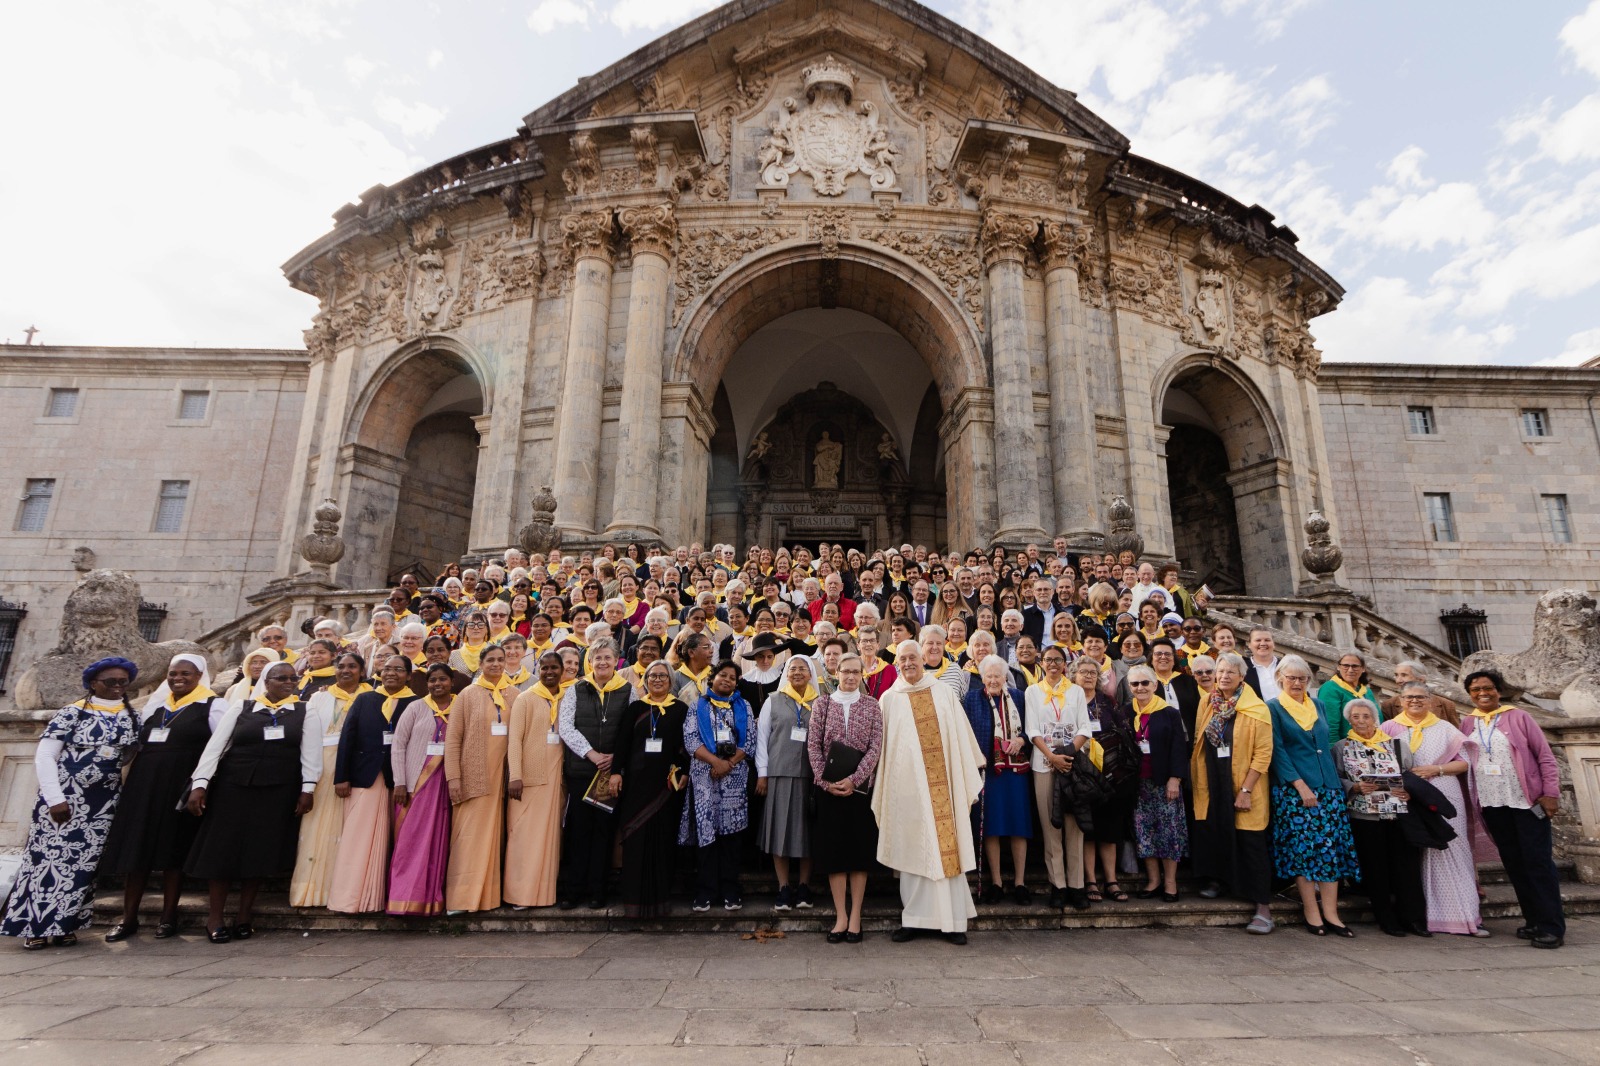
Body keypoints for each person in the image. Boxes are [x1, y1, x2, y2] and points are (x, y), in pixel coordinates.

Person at [3, 657, 141, 949]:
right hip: (64, 799)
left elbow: (130, 755)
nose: (117, 687)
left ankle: (66, 925)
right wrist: (55, 798)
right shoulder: (71, 713)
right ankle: (35, 926)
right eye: (110, 682)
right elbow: (45, 756)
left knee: (83, 868)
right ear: (93, 684)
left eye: (123, 682)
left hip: (102, 803)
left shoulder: (133, 716)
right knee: (46, 863)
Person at [184, 661, 320, 943]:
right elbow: (216, 746)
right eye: (281, 678)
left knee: (259, 851)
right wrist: (200, 784)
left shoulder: (306, 711)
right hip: (233, 787)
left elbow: (311, 753)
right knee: (222, 849)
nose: (288, 682)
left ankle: (245, 915)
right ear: (266, 681)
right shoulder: (243, 708)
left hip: (277, 789)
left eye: (292, 678)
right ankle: (215, 917)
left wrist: (308, 788)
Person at [99, 654, 219, 941]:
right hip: (144, 784)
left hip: (179, 784)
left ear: (199, 676)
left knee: (172, 852)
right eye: (174, 673)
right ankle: (128, 918)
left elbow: (219, 746)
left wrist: (201, 784)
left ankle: (168, 917)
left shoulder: (213, 704)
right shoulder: (156, 704)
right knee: (136, 851)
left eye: (186, 674)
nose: (178, 678)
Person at [875, 641, 986, 944]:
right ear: (896, 663)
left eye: (913, 657)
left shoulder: (942, 692)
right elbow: (881, 748)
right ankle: (913, 919)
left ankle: (953, 923)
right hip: (905, 791)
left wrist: (964, 775)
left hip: (943, 788)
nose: (908, 663)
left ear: (922, 659)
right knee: (911, 852)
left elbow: (961, 738)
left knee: (945, 853)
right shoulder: (889, 699)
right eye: (903, 659)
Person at [1460, 669, 1565, 948]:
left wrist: (1550, 793)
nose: (1482, 693)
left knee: (1538, 862)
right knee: (1515, 864)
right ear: (1469, 694)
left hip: (1525, 800)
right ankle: (1533, 920)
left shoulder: (1519, 717)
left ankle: (1551, 925)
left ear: (1498, 690)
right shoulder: (1468, 723)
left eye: (1487, 688)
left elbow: (1545, 756)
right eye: (1475, 690)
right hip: (1493, 802)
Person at [1267, 655, 1361, 936]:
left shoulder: (1318, 704)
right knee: (1305, 853)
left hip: (1328, 788)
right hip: (1296, 792)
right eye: (1291, 677)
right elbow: (1277, 750)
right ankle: (1311, 911)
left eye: (1302, 678)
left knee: (1331, 852)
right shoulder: (1273, 708)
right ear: (1280, 678)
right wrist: (1300, 785)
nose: (1297, 683)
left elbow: (1326, 743)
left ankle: (1332, 913)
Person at [1380, 680, 1479, 936]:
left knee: (1451, 848)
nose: (1415, 701)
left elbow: (1465, 763)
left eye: (1421, 697)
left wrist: (1437, 769)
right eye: (1409, 697)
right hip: (1406, 796)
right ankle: (1419, 916)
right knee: (1413, 854)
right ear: (1400, 700)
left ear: (1431, 701)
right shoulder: (1388, 728)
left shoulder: (1445, 728)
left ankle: (1462, 915)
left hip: (1443, 791)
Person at [1189, 653, 1276, 933]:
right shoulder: (1208, 701)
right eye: (1221, 671)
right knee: (1215, 829)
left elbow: (1263, 754)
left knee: (1250, 840)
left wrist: (1247, 789)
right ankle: (1219, 880)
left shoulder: (1256, 708)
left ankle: (1263, 906)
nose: (1224, 676)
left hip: (1242, 781)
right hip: (1213, 776)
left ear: (1242, 677)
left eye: (1230, 672)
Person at [327, 654, 417, 914]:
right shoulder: (365, 699)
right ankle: (349, 898)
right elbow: (348, 738)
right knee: (358, 837)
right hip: (363, 777)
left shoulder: (415, 703)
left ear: (409, 676)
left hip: (399, 780)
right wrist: (341, 776)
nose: (391, 673)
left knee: (393, 839)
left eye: (398, 670)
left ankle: (382, 897)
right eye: (387, 668)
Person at [1335, 698, 1426, 937]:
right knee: (1375, 868)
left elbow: (1410, 775)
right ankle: (1386, 919)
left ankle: (1413, 918)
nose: (1362, 721)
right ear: (1349, 720)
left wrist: (1408, 791)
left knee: (1406, 867)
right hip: (1364, 816)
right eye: (1356, 717)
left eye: (1366, 716)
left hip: (1397, 813)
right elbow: (1338, 778)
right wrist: (1354, 787)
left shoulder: (1396, 744)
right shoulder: (1341, 746)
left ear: (1375, 718)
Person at [807, 652, 883, 943]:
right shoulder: (822, 703)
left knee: (858, 855)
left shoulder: (872, 705)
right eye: (845, 671)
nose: (850, 676)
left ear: (862, 674)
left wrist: (854, 779)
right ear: (835, 672)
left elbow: (875, 747)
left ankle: (856, 916)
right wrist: (827, 783)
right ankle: (840, 916)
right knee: (835, 855)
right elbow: (813, 747)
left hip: (860, 790)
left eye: (856, 671)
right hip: (828, 789)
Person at [291, 650, 371, 907]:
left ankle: (341, 889)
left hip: (355, 765)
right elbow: (308, 735)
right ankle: (311, 890)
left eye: (352, 666)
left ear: (362, 671)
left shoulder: (370, 697)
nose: (346, 670)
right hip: (323, 764)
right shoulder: (319, 698)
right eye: (341, 666)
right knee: (317, 826)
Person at [557, 639, 632, 909]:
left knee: (604, 834)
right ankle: (574, 890)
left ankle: (598, 891)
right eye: (597, 657)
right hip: (582, 770)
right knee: (579, 833)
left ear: (616, 661)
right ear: (590, 661)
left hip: (610, 774)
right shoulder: (577, 689)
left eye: (607, 657)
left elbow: (631, 728)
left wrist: (616, 760)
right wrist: (592, 754)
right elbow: (566, 726)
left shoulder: (627, 689)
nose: (602, 662)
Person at [613, 660, 690, 918]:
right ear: (645, 680)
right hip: (636, 786)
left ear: (670, 681)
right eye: (652, 676)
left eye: (663, 676)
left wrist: (683, 772)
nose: (657, 680)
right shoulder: (635, 708)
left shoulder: (680, 709)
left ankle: (659, 902)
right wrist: (615, 773)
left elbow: (685, 746)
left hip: (666, 787)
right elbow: (622, 744)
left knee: (662, 842)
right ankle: (634, 904)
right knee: (636, 841)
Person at [444, 644, 515, 912]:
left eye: (501, 660)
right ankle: (461, 899)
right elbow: (453, 740)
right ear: (481, 664)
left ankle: (488, 898)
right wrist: (454, 778)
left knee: (494, 839)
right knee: (468, 838)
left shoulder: (516, 695)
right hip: (473, 776)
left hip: (502, 779)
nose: (496, 664)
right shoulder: (467, 694)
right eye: (490, 660)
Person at [682, 661, 756, 912]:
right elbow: (691, 741)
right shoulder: (697, 705)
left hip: (734, 780)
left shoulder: (743, 706)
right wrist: (716, 762)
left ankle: (730, 890)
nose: (727, 680)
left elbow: (750, 742)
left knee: (731, 838)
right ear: (712, 678)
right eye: (722, 675)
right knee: (707, 836)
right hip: (705, 779)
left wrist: (729, 763)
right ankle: (705, 891)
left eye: (732, 677)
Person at [1025, 646, 1093, 910]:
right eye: (1048, 660)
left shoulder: (1075, 691)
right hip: (1044, 765)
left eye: (1058, 660)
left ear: (1065, 664)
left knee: (1074, 826)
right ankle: (1058, 885)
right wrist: (1051, 757)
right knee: (1050, 826)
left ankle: (1077, 886)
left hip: (1072, 764)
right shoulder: (1033, 691)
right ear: (1041, 663)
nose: (1053, 664)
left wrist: (1067, 753)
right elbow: (1032, 728)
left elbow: (1084, 727)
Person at [387, 664, 456, 916]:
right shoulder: (415, 707)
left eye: (443, 680)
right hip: (416, 785)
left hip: (444, 786)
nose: (438, 684)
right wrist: (400, 782)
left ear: (451, 682)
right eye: (432, 680)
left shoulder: (459, 707)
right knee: (410, 842)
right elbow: (398, 746)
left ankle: (429, 900)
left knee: (437, 843)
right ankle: (403, 899)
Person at [964, 654, 1032, 906]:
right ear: (982, 677)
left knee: (1018, 826)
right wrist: (976, 754)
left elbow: (1030, 727)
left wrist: (1021, 739)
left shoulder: (1019, 697)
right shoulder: (972, 699)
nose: (993, 680)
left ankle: (1020, 883)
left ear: (1005, 677)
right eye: (989, 676)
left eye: (998, 675)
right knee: (991, 827)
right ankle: (996, 882)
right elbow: (964, 731)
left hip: (1016, 772)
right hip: (987, 771)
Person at [503, 652, 567, 909]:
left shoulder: (568, 698)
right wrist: (515, 775)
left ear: (563, 670)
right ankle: (520, 895)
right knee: (524, 837)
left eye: (554, 667)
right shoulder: (525, 698)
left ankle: (544, 894)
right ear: (538, 670)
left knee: (550, 838)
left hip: (557, 778)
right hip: (529, 778)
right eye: (545, 668)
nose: (549, 672)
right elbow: (514, 739)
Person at [757, 655, 820, 911]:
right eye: (792, 668)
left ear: (810, 674)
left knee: (807, 833)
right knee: (779, 831)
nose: (797, 673)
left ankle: (804, 886)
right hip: (779, 774)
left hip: (810, 776)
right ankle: (783, 887)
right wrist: (762, 773)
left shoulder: (820, 702)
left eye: (802, 669)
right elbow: (762, 739)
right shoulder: (773, 701)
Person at [1126, 664, 1188, 901]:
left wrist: (1175, 778)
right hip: (1137, 784)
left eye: (1145, 683)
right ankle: (1153, 880)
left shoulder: (1169, 712)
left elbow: (1179, 747)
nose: (1140, 688)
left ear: (1154, 685)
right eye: (1135, 684)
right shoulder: (1126, 712)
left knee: (1169, 833)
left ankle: (1170, 882)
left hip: (1164, 782)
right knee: (1145, 833)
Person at [1381, 661, 1460, 726]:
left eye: (1404, 675)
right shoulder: (1389, 705)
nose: (1398, 680)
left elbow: (1457, 737)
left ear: (1421, 679)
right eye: (1396, 675)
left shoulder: (1446, 705)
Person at [1318, 652, 1375, 739]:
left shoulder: (1367, 691)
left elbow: (1376, 719)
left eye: (1355, 666)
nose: (1350, 670)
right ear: (1338, 667)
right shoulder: (1330, 689)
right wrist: (1334, 749)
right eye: (1345, 666)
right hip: (1345, 746)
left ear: (1363, 668)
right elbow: (1330, 725)